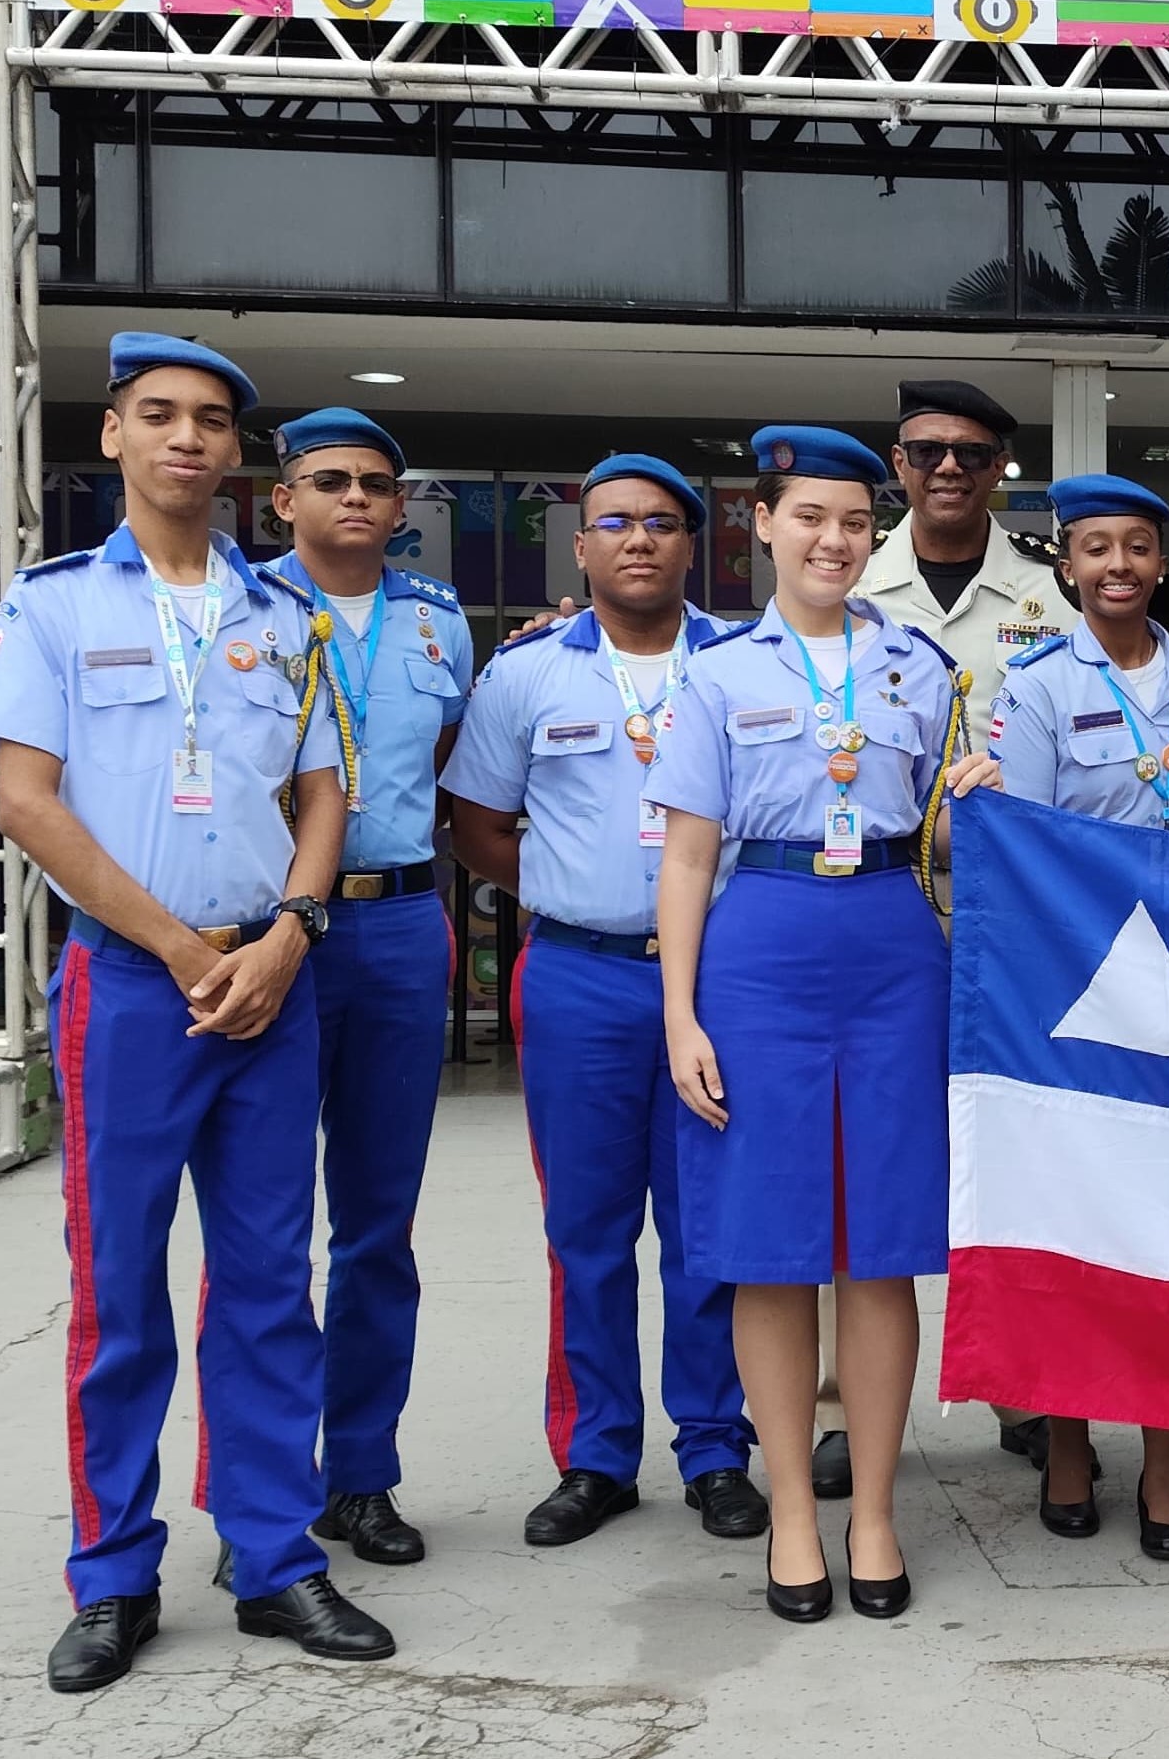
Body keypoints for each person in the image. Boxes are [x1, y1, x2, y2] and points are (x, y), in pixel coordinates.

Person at [0, 333, 393, 1691]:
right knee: (121, 1290)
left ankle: (273, 1556)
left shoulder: (283, 615)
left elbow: (322, 793)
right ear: (113, 436)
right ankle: (113, 1572)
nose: (188, 438)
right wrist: (183, 947)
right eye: (161, 415)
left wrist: (287, 933)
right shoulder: (50, 608)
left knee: (269, 1282)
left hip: (270, 984)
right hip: (134, 988)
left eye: (211, 420)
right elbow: (25, 800)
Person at [652, 427, 965, 1623]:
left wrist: (974, 803)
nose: (833, 539)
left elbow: (936, 832)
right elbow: (686, 854)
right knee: (769, 1246)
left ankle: (874, 1506)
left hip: (892, 943)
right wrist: (680, 1012)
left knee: (879, 1246)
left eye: (853, 521)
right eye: (810, 518)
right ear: (765, 528)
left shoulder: (923, 671)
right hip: (762, 948)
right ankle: (791, 1506)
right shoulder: (717, 674)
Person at [442, 456, 765, 1551]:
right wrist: (567, 890)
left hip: (717, 979)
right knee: (583, 1228)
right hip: (577, 975)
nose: (637, 539)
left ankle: (717, 1446)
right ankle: (594, 1453)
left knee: (704, 1227)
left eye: (661, 522)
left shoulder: (746, 661)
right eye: (614, 523)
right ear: (580, 548)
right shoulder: (525, 672)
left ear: (693, 546)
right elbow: (477, 820)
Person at [944, 472, 1169, 1562]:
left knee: (1165, 1223)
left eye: (1137, 546)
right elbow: (1017, 849)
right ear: (1065, 566)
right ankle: (1066, 1434)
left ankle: (1163, 1455)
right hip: (1062, 992)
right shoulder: (1029, 687)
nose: (1117, 565)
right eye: (1095, 548)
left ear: (1161, 561)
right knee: (1069, 1222)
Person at [832, 376, 1058, 1497]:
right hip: (873, 909)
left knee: (1012, 1149)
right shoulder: (844, 579)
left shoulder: (1048, 593)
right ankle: (843, 1403)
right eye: (927, 451)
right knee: (866, 1150)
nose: (950, 468)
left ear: (1001, 467)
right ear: (899, 462)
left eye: (973, 451)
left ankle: (1025, 1380)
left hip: (1012, 917)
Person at [263, 407, 473, 1568]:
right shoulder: (240, 609)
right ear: (282, 495)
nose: (356, 497)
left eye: (378, 483)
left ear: (400, 508)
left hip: (394, 923)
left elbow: (446, 760)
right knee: (263, 1230)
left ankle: (361, 1473)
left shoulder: (439, 622)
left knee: (377, 1227)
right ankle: (261, 1486)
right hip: (267, 935)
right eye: (329, 478)